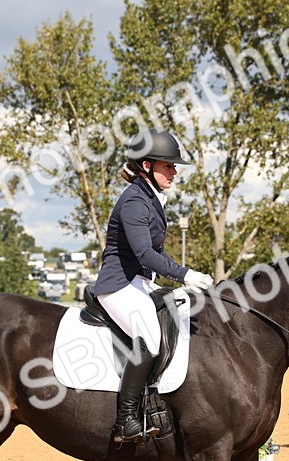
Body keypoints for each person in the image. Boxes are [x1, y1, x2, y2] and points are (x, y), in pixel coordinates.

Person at [92, 128, 214, 444]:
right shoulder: (135, 200)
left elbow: (156, 254)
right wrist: (185, 274)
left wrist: (189, 278)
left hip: (139, 283)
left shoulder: (149, 197)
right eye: (169, 166)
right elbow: (144, 253)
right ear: (147, 166)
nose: (174, 173)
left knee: (178, 309)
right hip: (118, 285)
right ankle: (126, 420)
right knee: (149, 338)